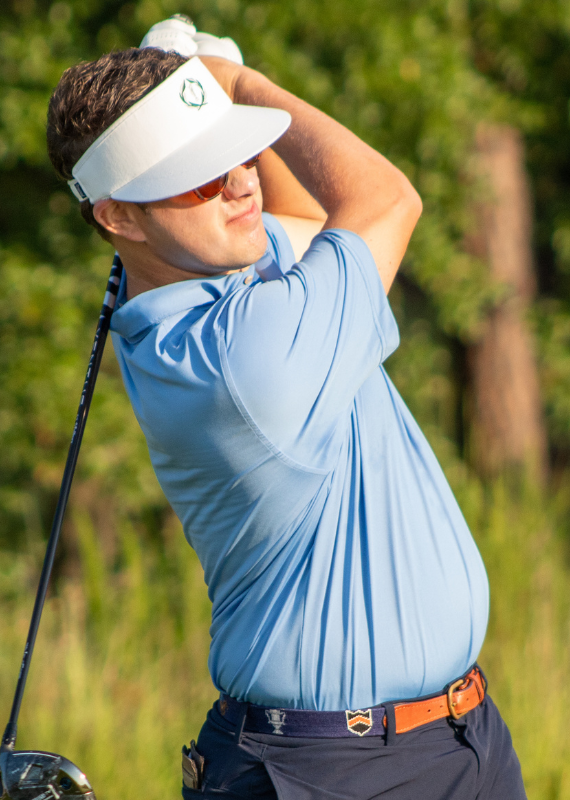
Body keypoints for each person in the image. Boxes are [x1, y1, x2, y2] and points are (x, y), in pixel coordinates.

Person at [43, 19, 526, 800]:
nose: (240, 183)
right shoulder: (237, 363)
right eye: (199, 176)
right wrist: (236, 86)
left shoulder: (208, 278)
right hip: (330, 773)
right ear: (118, 216)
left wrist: (213, 118)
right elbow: (385, 200)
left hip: (460, 741)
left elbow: (305, 228)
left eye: (237, 158)